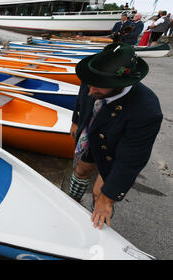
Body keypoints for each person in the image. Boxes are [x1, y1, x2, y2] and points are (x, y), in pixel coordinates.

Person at [68, 43, 163, 230]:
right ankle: (70, 202)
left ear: (122, 84)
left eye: (100, 87)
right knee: (81, 171)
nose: (90, 90)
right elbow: (82, 97)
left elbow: (131, 160)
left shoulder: (147, 110)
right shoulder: (95, 76)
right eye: (90, 82)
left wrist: (108, 197)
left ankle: (95, 224)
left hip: (113, 147)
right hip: (90, 130)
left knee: (100, 193)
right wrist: (76, 120)